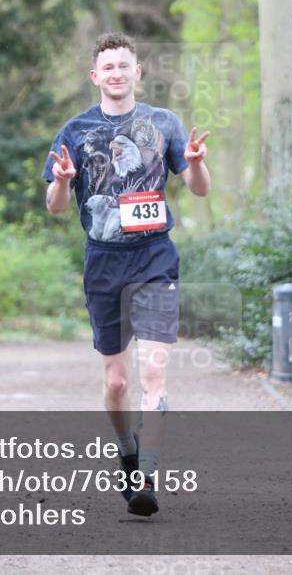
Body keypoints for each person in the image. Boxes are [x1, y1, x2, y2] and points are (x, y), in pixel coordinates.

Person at [43, 33, 211, 517]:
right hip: (104, 261)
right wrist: (62, 182)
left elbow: (199, 189)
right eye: (108, 67)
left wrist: (195, 165)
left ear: (137, 72)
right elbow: (55, 207)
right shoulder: (75, 130)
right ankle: (127, 452)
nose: (116, 73)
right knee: (117, 383)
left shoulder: (164, 123)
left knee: (153, 372)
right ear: (95, 76)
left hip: (155, 257)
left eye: (124, 65)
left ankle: (148, 476)